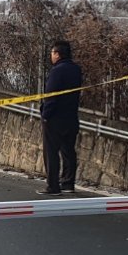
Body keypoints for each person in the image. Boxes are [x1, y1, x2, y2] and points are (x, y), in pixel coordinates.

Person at [38, 40, 83, 196]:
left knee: (51, 153)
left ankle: (53, 186)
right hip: (71, 116)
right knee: (68, 151)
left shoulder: (57, 71)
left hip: (55, 118)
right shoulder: (76, 70)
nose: (51, 56)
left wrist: (45, 115)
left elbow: (51, 95)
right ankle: (68, 183)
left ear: (57, 54)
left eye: (52, 53)